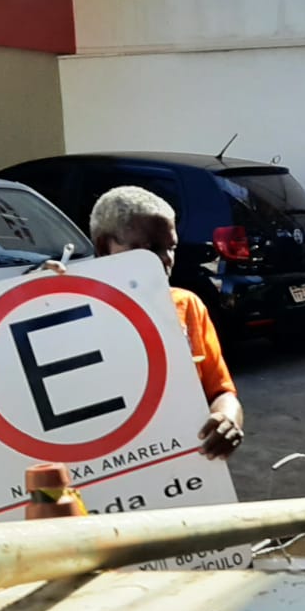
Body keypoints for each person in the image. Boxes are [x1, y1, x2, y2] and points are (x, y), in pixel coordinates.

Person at [84, 186, 245, 460]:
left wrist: (227, 418)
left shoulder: (186, 305)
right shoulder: (70, 310)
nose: (166, 259)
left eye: (171, 247)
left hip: (179, 468)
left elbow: (221, 391)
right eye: (149, 248)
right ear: (104, 246)